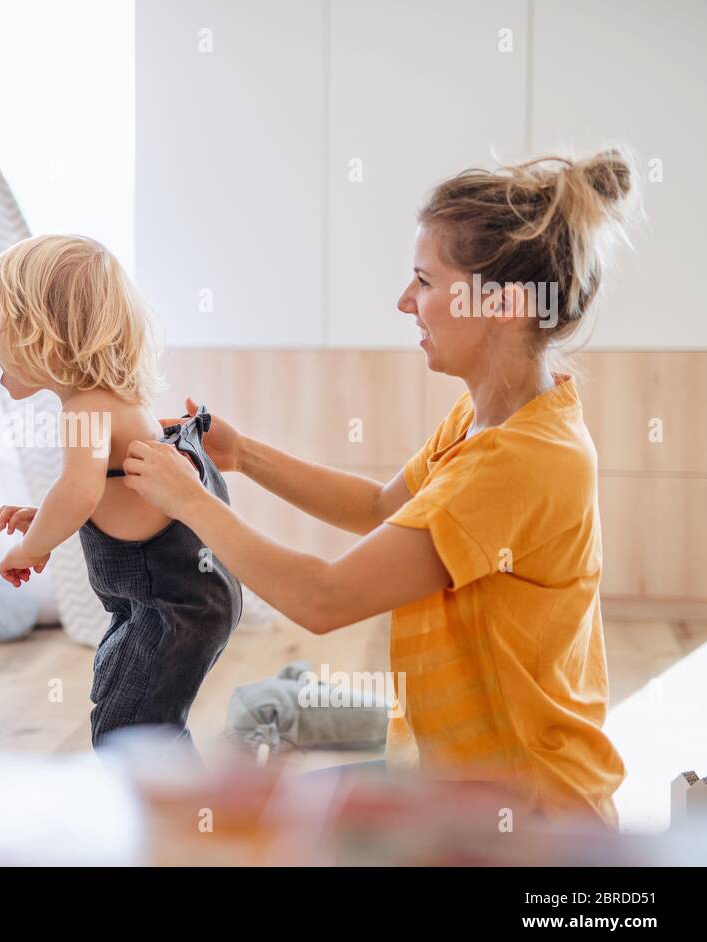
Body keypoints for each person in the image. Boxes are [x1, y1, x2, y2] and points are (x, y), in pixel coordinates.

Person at [122, 150, 636, 825]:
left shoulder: (521, 459)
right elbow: (380, 508)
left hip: (525, 815)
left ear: (503, 305)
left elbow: (324, 598)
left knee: (270, 820)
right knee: (265, 762)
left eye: (424, 281)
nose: (404, 301)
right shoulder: (491, 418)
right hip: (449, 772)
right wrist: (242, 454)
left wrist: (189, 499)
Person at [0, 234, 241, 754]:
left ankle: (176, 825)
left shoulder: (84, 409)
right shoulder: (113, 400)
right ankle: (173, 820)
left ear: (42, 331)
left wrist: (32, 548)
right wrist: (42, 516)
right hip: (183, 592)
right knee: (136, 709)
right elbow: (101, 493)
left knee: (132, 728)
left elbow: (77, 492)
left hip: (171, 599)